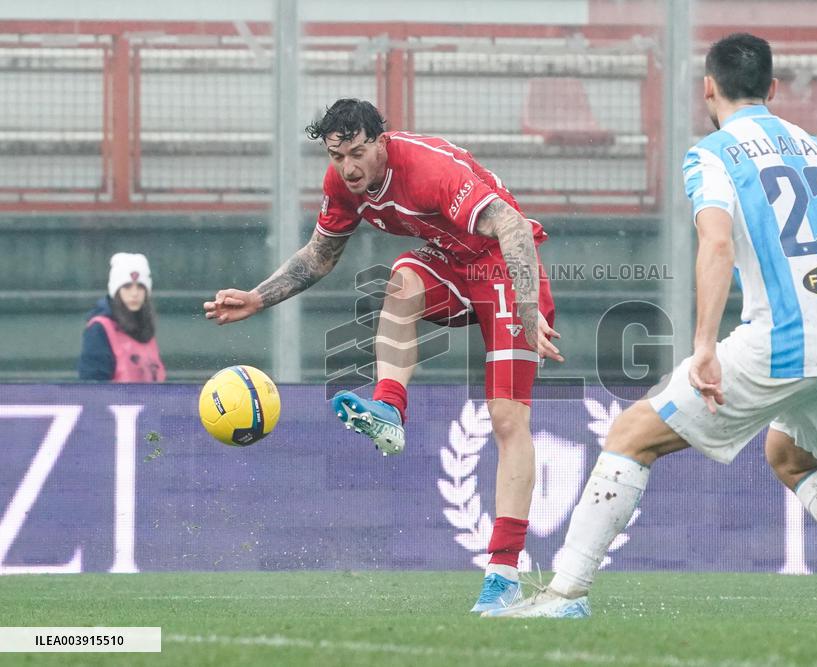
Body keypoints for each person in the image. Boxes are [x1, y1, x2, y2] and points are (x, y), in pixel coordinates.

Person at [485, 32, 817, 620]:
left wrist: (703, 346)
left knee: (631, 433)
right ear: (772, 89)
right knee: (792, 455)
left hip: (785, 339)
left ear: (708, 88)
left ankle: (564, 593)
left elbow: (717, 241)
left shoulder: (713, 153)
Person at [203, 99, 561, 612]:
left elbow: (514, 226)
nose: (348, 168)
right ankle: (389, 408)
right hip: (452, 268)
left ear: (381, 142)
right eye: (336, 155)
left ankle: (503, 573)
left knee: (506, 417)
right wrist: (259, 298)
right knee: (402, 280)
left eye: (357, 152)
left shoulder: (426, 169)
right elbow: (320, 256)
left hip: (504, 273)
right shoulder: (342, 187)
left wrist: (527, 305)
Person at [79, 252, 166, 382]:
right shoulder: (99, 329)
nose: (134, 293)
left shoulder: (146, 328)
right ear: (116, 290)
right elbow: (93, 387)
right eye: (127, 286)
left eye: (141, 287)